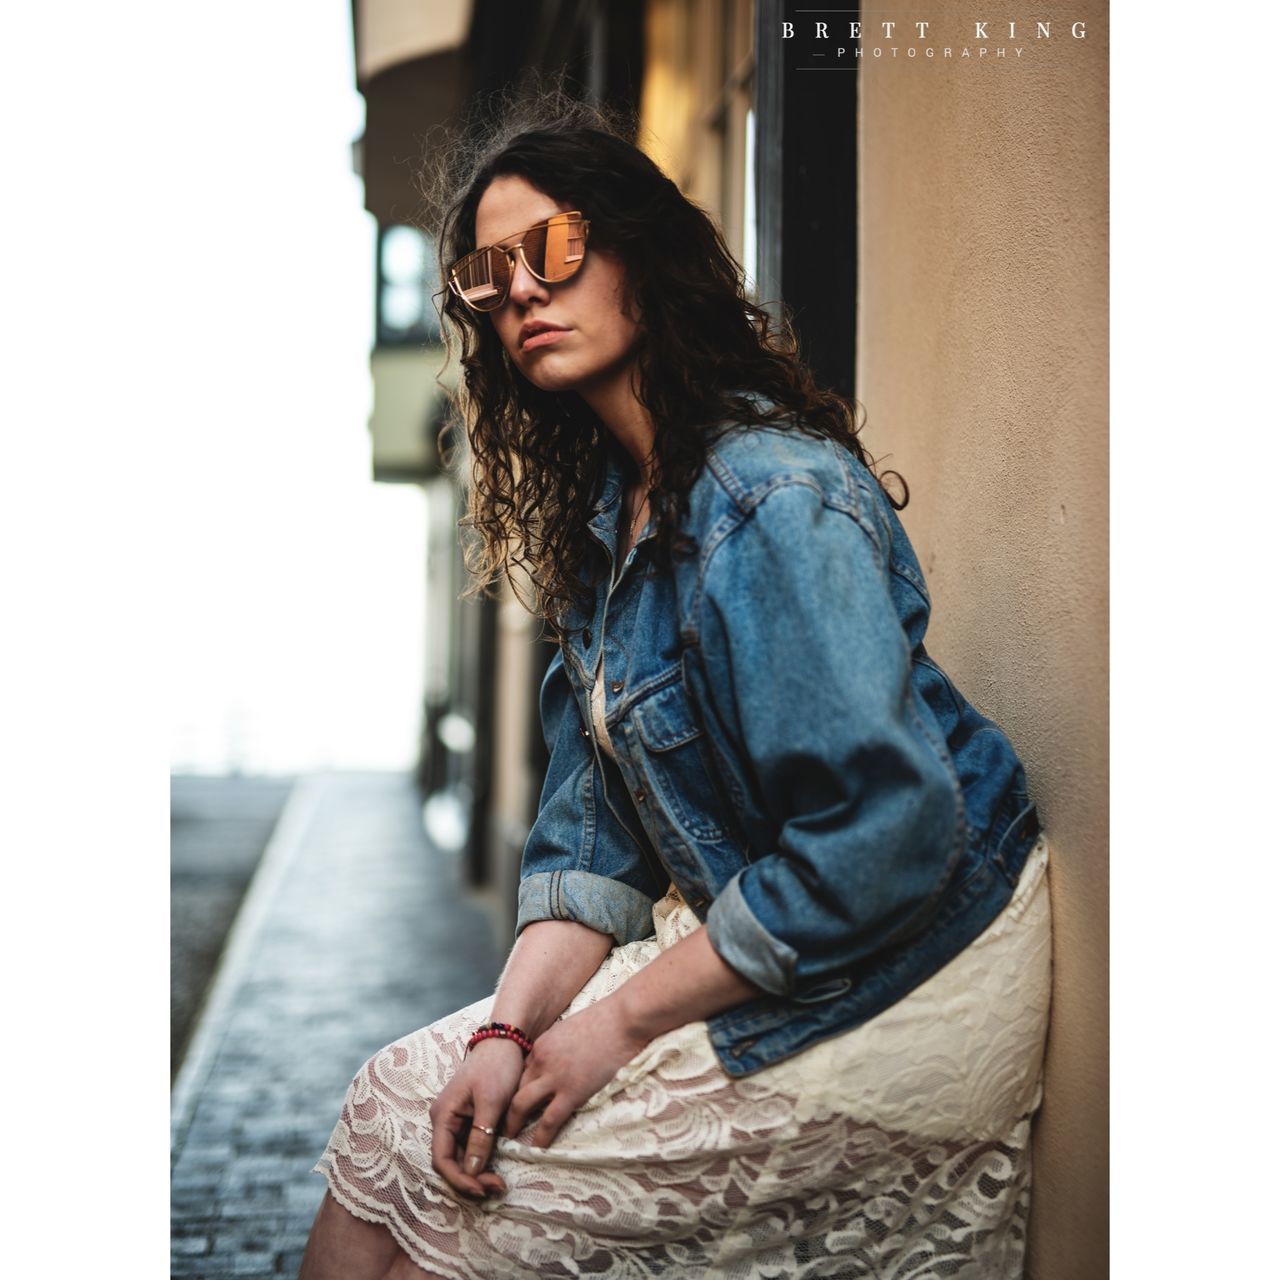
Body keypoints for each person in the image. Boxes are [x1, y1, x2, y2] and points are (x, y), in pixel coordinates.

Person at [299, 101, 1051, 1280]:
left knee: (467, 1222)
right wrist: (507, 1030)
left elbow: (883, 835)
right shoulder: (612, 523)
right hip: (769, 919)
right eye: (484, 279)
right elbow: (586, 849)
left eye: (549, 250)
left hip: (918, 950)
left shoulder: (764, 496)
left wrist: (612, 1025)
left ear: (638, 250)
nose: (518, 295)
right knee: (394, 1103)